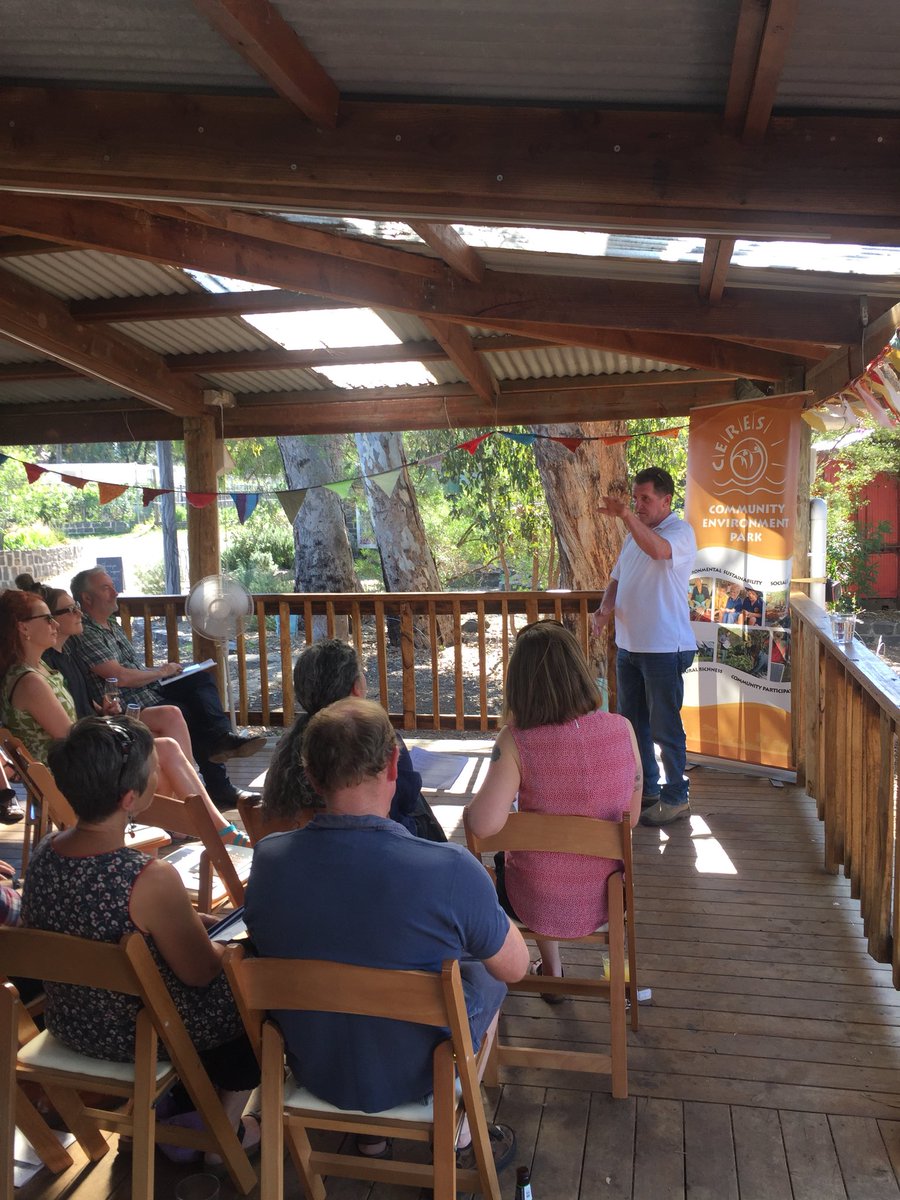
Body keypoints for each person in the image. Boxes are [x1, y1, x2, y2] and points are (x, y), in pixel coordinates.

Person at [245, 697, 528, 1167]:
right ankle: (456, 1130)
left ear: (310, 774)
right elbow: (516, 968)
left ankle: (371, 1139)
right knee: (488, 975)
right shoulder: (451, 869)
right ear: (395, 763)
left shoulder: (270, 859)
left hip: (315, 1069)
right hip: (420, 1077)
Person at [21, 717, 261, 1164]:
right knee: (248, 990)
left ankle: (172, 1110)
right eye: (154, 771)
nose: (158, 776)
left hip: (70, 1023)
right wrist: (235, 949)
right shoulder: (146, 877)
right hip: (140, 1036)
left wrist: (186, 920)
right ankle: (221, 1131)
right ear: (130, 799)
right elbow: (203, 972)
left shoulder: (43, 855)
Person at [466, 620, 642, 997]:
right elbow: (632, 816)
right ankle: (560, 972)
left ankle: (553, 969)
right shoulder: (622, 729)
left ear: (520, 684)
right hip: (608, 897)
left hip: (533, 898)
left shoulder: (515, 742)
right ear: (578, 671)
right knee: (559, 858)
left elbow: (481, 824)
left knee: (524, 864)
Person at [0, 588, 250, 846]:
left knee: (165, 750)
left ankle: (214, 830)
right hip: (74, 776)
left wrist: (105, 717)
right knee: (159, 766)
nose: (54, 623)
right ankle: (216, 831)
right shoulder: (30, 682)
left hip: (78, 765)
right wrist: (120, 733)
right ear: (23, 629)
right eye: (46, 618)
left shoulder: (38, 670)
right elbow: (72, 739)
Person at [67, 567, 262, 810]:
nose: (115, 592)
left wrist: (163, 669)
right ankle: (214, 786)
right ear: (86, 598)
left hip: (147, 690)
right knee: (188, 714)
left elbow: (130, 668)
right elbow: (118, 677)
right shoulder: (85, 631)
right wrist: (159, 673)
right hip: (128, 703)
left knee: (199, 680)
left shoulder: (111, 625)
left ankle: (221, 738)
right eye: (106, 588)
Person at [590, 467, 697, 828]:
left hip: (665, 647)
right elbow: (617, 579)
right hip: (629, 646)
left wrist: (624, 517)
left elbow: (658, 552)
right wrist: (604, 610)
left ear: (667, 501)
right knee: (632, 726)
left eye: (645, 499)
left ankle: (676, 796)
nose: (638, 505)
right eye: (635, 499)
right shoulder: (632, 536)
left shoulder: (680, 532)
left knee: (665, 726)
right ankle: (648, 790)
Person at [261, 638, 446, 841]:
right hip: (380, 851)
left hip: (304, 857)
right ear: (356, 689)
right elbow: (406, 799)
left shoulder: (286, 748)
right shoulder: (381, 738)